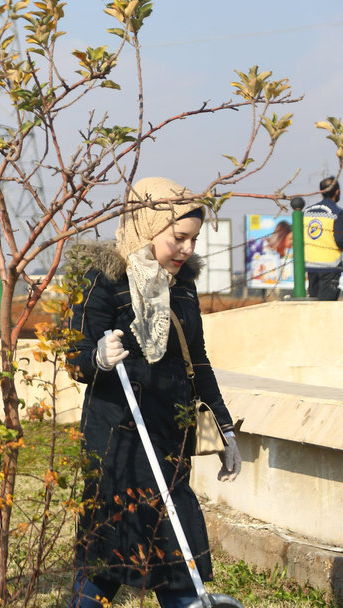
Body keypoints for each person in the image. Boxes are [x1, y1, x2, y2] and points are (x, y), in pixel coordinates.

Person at [64, 177, 242, 607]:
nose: (187, 250)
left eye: (193, 240)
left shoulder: (182, 285)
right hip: (117, 439)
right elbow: (75, 355)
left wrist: (225, 431)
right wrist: (98, 359)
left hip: (167, 434)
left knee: (175, 553)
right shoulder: (104, 278)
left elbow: (196, 360)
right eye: (178, 238)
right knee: (109, 554)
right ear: (147, 227)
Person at [303, 176, 343, 300]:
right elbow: (340, 240)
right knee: (326, 306)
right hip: (330, 266)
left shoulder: (306, 212)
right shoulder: (337, 212)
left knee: (313, 303)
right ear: (337, 191)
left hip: (311, 264)